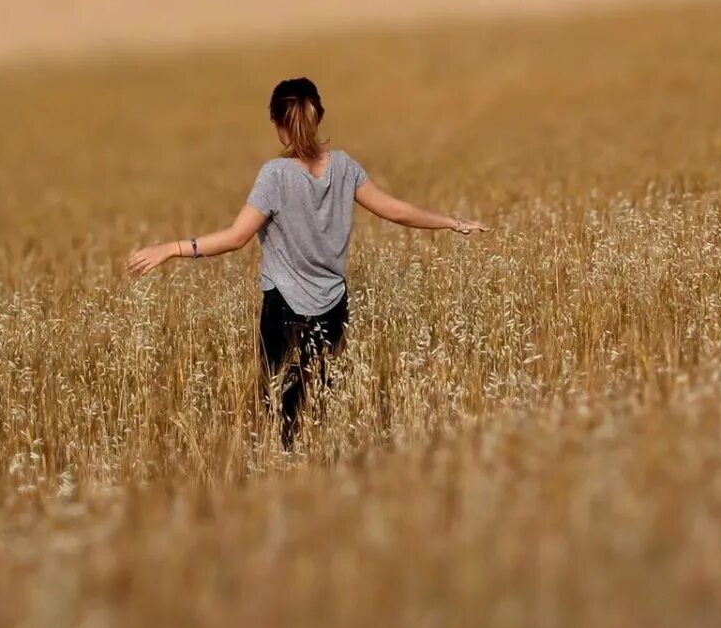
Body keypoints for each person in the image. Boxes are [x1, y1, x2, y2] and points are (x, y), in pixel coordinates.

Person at [126, 77, 487, 448]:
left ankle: (285, 480)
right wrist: (453, 223)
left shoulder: (275, 175)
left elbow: (236, 238)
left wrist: (169, 248)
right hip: (334, 307)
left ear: (279, 124)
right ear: (319, 116)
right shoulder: (344, 167)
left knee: (280, 417)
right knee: (321, 406)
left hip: (283, 309)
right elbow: (395, 210)